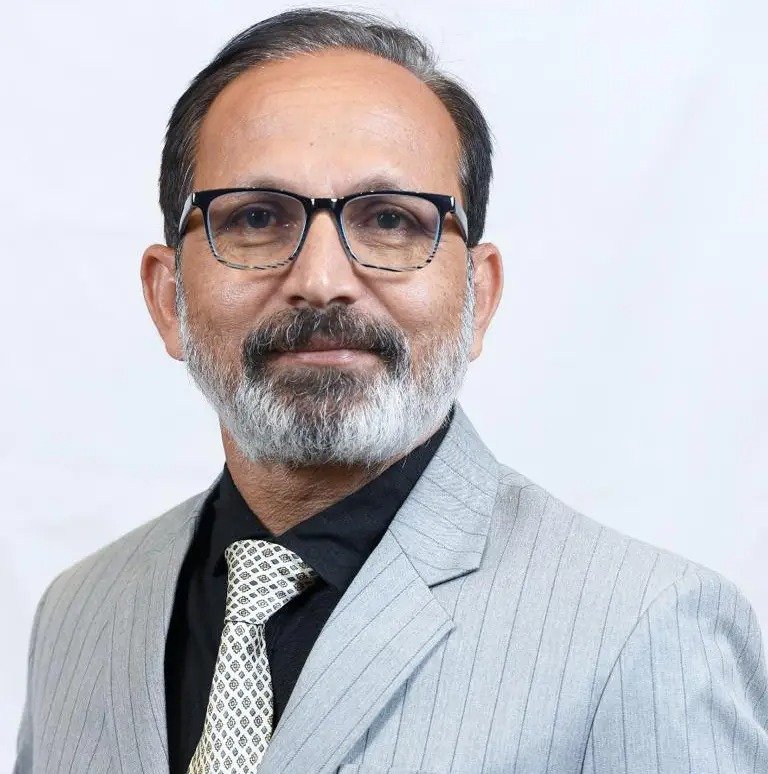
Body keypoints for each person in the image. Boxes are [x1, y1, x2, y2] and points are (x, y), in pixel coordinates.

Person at [14, 8, 768, 774]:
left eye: (390, 221)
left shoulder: (648, 630)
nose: (321, 282)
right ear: (167, 297)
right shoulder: (80, 613)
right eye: (256, 218)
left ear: (480, 297)